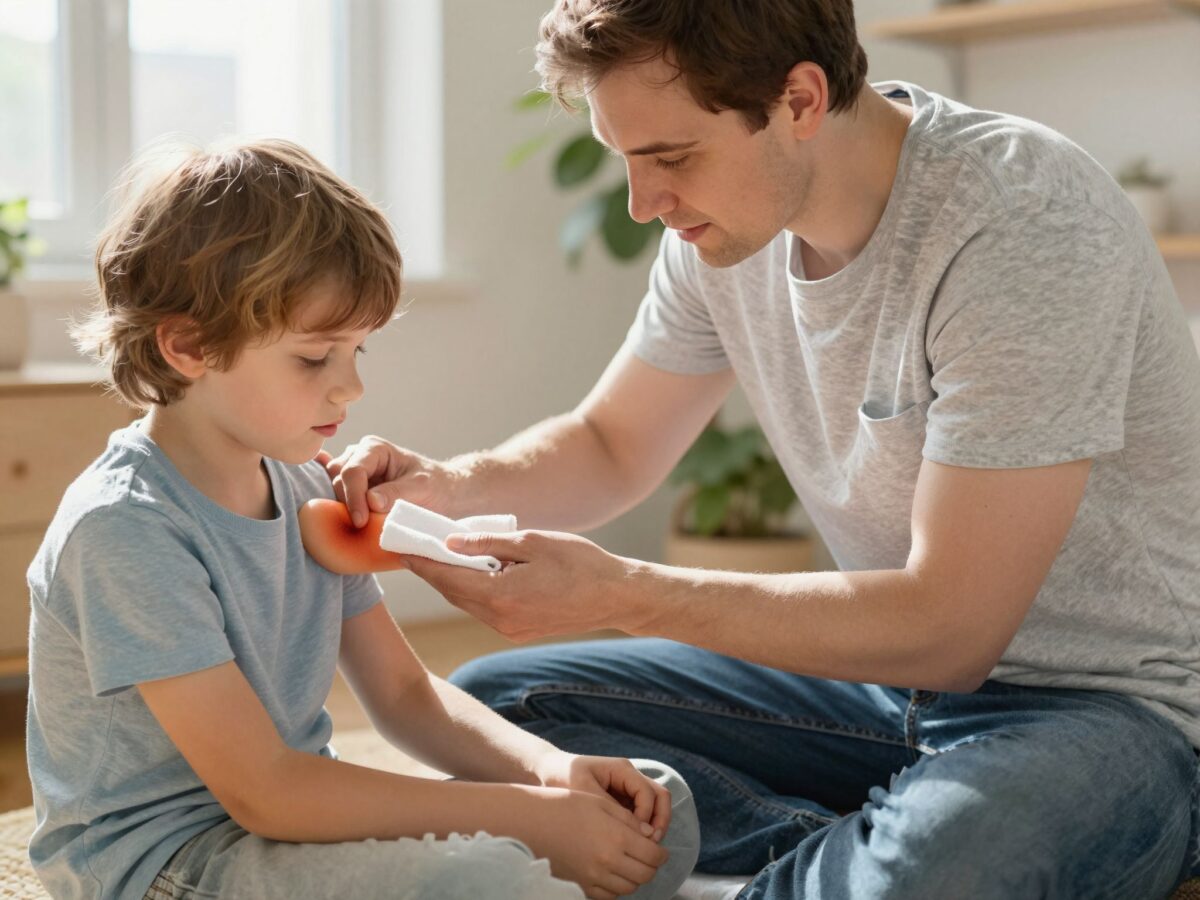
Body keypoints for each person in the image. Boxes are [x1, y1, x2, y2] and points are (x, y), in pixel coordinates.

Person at [325, 1, 1200, 897]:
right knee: (499, 711)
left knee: (955, 861)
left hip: (1115, 709)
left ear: (801, 100)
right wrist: (448, 486)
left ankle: (882, 848)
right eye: (625, 159)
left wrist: (626, 593)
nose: (643, 204)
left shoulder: (1020, 222)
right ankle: (851, 845)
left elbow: (951, 630)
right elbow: (610, 443)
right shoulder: (721, 234)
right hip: (884, 690)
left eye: (671, 158)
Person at [26, 137, 700, 900]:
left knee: (656, 809)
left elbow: (406, 696)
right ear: (187, 346)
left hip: (287, 824)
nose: (349, 388)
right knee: (485, 878)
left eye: (358, 352)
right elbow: (267, 791)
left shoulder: (306, 486)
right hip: (167, 863)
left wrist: (553, 773)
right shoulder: (127, 530)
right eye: (315, 358)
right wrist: (531, 817)